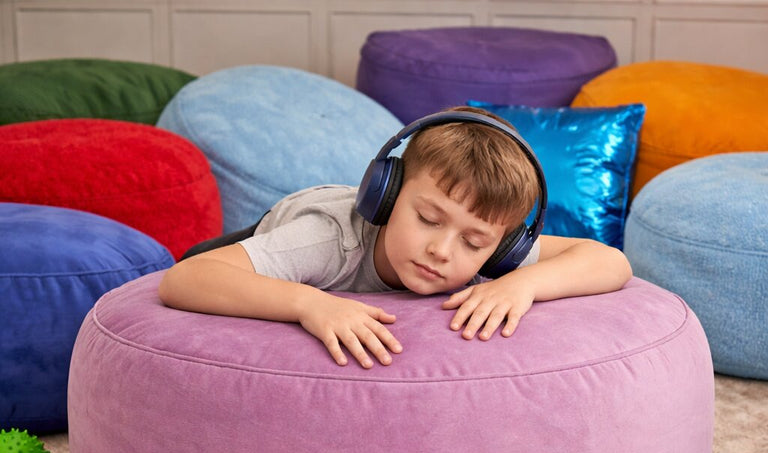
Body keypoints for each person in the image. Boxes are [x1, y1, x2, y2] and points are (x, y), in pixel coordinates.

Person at [158, 106, 632, 369]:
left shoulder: (493, 256)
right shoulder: (328, 238)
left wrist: (521, 285)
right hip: (261, 238)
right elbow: (186, 278)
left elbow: (611, 262)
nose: (442, 251)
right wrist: (310, 303)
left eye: (473, 242)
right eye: (427, 218)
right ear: (387, 194)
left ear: (502, 246)